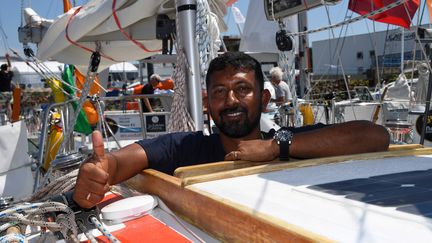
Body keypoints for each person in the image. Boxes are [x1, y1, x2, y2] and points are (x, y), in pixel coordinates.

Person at [73, 52, 390, 208]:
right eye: (220, 92)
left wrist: (276, 148)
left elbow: (375, 136)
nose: (231, 100)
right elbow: (124, 160)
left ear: (264, 99)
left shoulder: (294, 140)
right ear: (208, 104)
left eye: (242, 89)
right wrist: (100, 170)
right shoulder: (185, 148)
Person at [0, 54, 14, 120]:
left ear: (1, 69)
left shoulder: (1, 74)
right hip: (9, 93)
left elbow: (8, 67)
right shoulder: (10, 74)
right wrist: (8, 59)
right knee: (8, 105)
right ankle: (10, 118)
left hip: (2, 93)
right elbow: (10, 67)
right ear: (6, 68)